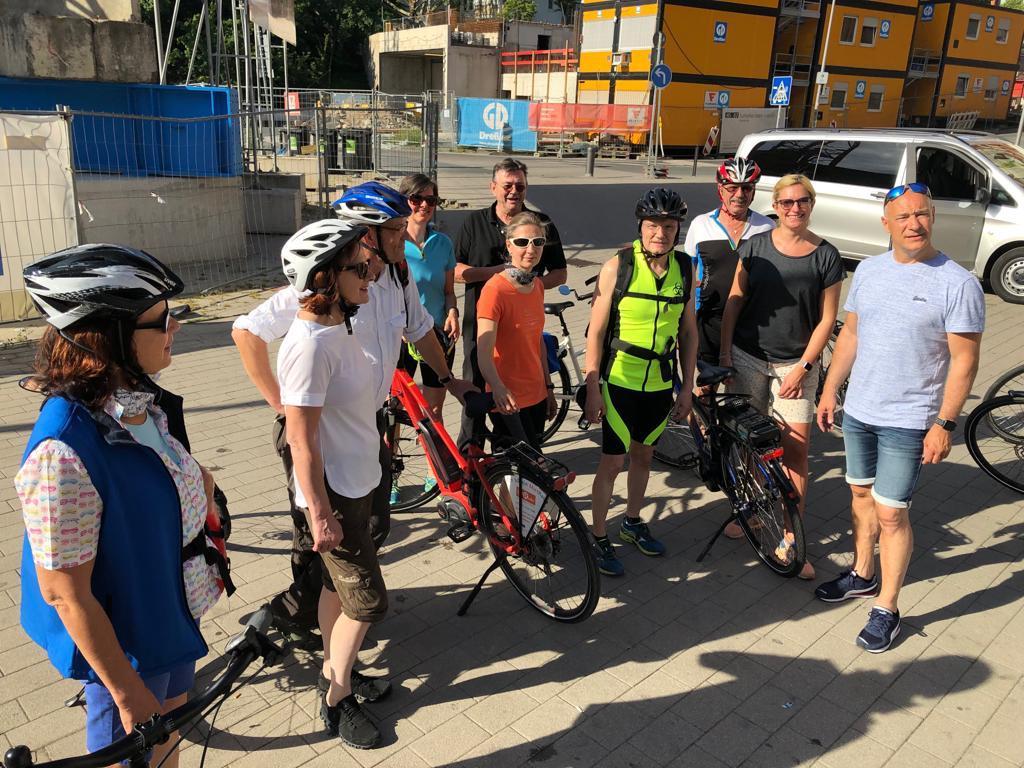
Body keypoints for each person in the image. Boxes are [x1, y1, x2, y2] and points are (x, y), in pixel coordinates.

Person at [230, 182, 472, 659]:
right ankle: (300, 618)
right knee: (317, 535)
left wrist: (449, 379)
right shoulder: (327, 281)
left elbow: (420, 331)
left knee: (373, 523)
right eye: (396, 229)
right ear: (366, 236)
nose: (406, 236)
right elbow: (246, 331)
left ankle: (337, 609)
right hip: (318, 435)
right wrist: (280, 404)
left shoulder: (397, 275)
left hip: (366, 424)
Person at [16, 245, 226, 767]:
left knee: (169, 745)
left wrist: (200, 485)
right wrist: (128, 695)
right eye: (161, 319)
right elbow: (64, 592)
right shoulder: (62, 451)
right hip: (126, 652)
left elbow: (155, 468)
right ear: (108, 337)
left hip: (167, 616)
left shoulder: (132, 399)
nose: (176, 326)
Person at [815, 182, 984, 653]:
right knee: (860, 495)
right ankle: (862, 574)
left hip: (908, 420)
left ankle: (886, 607)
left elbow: (965, 361)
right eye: (903, 216)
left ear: (933, 217)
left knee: (891, 513)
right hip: (859, 410)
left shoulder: (958, 283)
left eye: (922, 214)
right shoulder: (869, 271)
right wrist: (829, 390)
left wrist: (945, 424)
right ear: (886, 223)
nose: (914, 224)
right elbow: (850, 335)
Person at [276, 219, 387, 748]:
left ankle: (334, 668)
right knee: (367, 602)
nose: (371, 274)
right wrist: (319, 513)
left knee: (332, 587)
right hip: (335, 493)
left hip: (358, 479)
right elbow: (300, 441)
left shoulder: (339, 326)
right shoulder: (309, 346)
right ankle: (336, 699)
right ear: (324, 277)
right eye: (359, 268)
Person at [719, 174, 844, 581]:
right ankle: (752, 510)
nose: (795, 208)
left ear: (812, 204)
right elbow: (735, 301)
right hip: (748, 357)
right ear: (775, 206)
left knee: (795, 451)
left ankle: (792, 536)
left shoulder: (826, 255)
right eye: (787, 202)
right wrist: (725, 353)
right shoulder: (754, 247)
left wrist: (804, 367)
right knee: (749, 442)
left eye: (802, 201)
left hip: (796, 364)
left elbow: (827, 319)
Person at [583, 188, 698, 577]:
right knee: (613, 461)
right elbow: (596, 332)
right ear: (640, 226)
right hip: (620, 380)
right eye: (653, 225)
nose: (660, 233)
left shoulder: (686, 269)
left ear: (677, 229)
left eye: (669, 226)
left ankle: (632, 522)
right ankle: (598, 535)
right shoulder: (618, 266)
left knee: (644, 456)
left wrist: (687, 387)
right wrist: (592, 386)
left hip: (660, 384)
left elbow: (689, 332)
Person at [454, 158, 567, 443]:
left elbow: (560, 273)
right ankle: (471, 454)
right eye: (508, 185)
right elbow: (454, 270)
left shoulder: (540, 224)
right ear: (493, 187)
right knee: (477, 393)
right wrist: (499, 275)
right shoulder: (474, 222)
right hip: (481, 323)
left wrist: (527, 287)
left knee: (521, 436)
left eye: (520, 186)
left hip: (521, 330)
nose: (514, 191)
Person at [394, 174, 459, 500]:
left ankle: (436, 470)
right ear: (405, 201)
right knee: (394, 410)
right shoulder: (393, 242)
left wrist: (453, 311)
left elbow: (448, 291)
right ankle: (390, 475)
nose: (424, 206)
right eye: (416, 199)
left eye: (431, 200)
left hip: (435, 335)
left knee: (434, 409)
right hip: (400, 337)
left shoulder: (442, 244)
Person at [476, 211, 558, 449]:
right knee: (518, 465)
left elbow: (538, 342)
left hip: (537, 394)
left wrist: (549, 388)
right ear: (509, 245)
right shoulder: (495, 290)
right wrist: (498, 388)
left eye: (538, 242)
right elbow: (483, 352)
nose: (531, 249)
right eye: (522, 242)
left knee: (532, 463)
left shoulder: (537, 285)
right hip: (508, 398)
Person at [684, 157, 775, 365]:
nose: (740, 195)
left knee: (745, 383)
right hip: (708, 321)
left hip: (751, 323)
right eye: (732, 188)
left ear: (754, 191)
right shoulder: (701, 224)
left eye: (747, 188)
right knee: (707, 382)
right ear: (720, 189)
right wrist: (685, 321)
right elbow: (687, 274)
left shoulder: (766, 227)